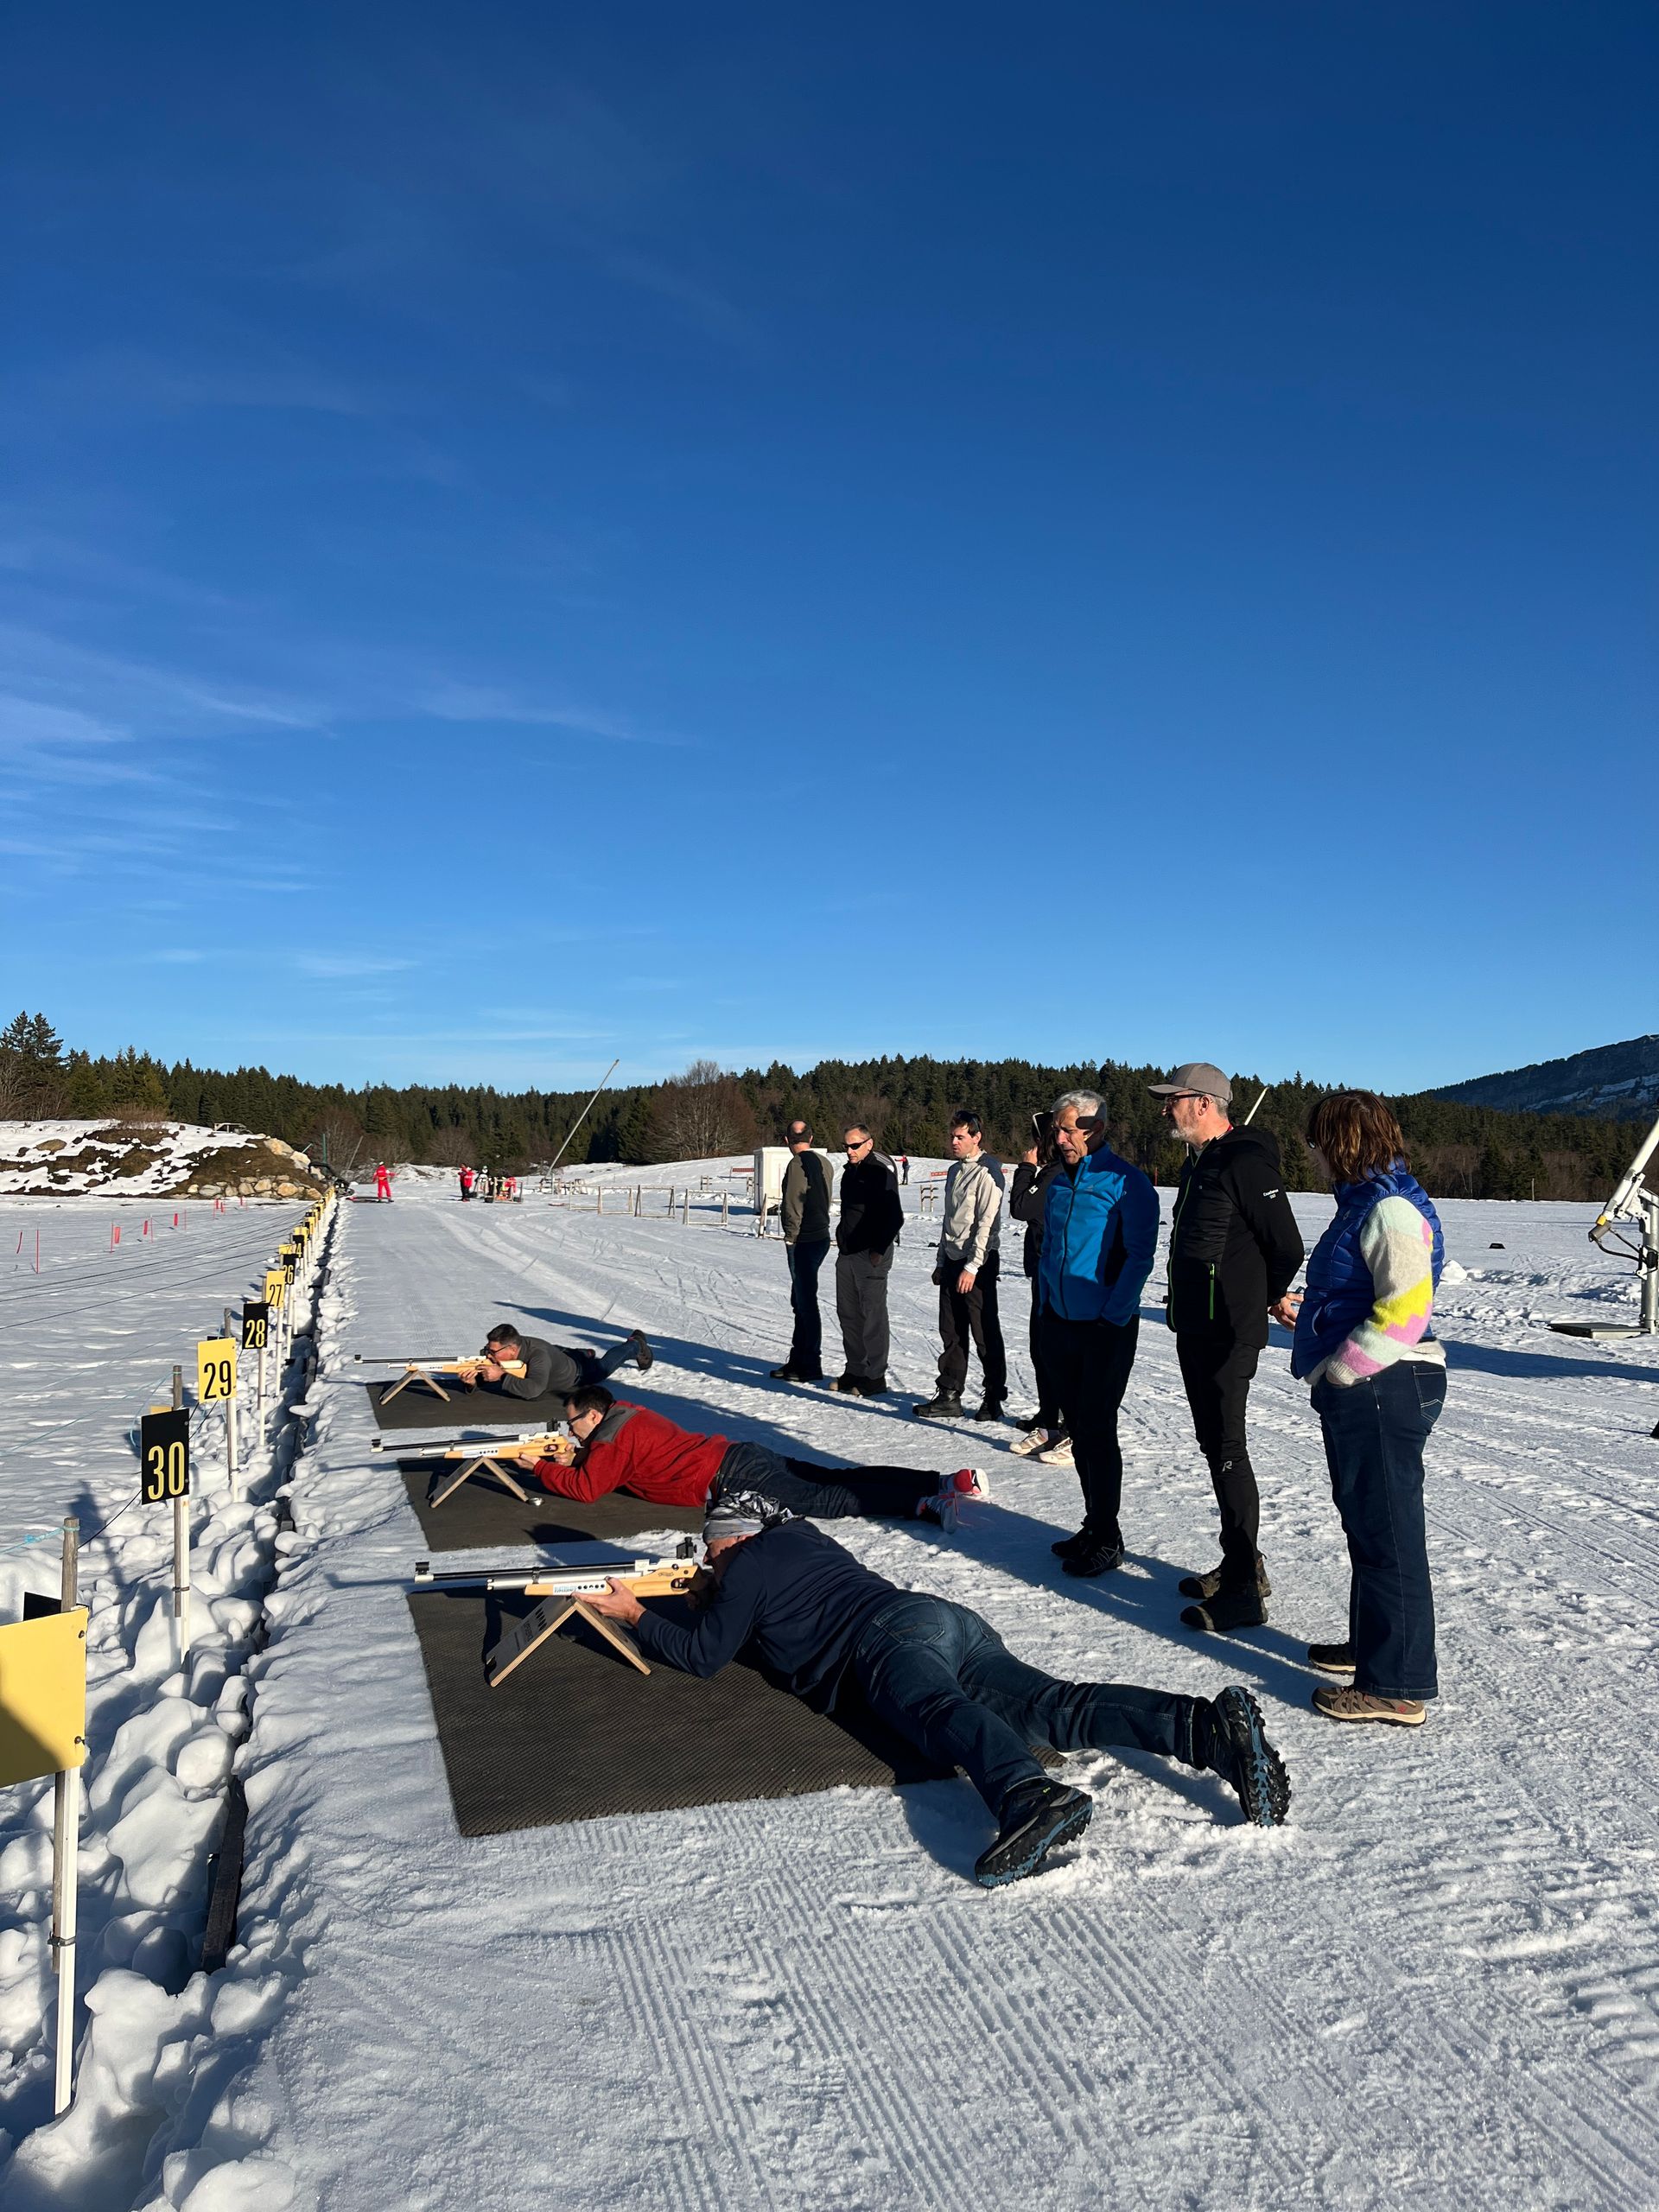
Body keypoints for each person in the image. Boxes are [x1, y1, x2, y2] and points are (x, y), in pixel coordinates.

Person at [586, 1497, 1290, 1886]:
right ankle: (1205, 1730)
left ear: (728, 1540)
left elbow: (704, 1656)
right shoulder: (801, 1539)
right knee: (1056, 1706)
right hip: (943, 1620)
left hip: (884, 1642)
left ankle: (1027, 1797)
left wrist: (638, 1615)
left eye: (710, 1551)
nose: (708, 1561)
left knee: (936, 1712)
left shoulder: (739, 1568)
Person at [1281, 1091, 1446, 1728]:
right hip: (1375, 1381)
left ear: (1343, 1143)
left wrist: (1346, 1369)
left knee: (1389, 1536)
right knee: (1369, 1526)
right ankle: (1374, 1648)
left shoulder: (1391, 1209)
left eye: (1319, 1141)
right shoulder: (1366, 1204)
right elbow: (1366, 1291)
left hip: (1383, 1384)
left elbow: (1407, 1310)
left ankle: (1397, 1684)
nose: (1314, 1154)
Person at [1148, 1061, 1305, 1635]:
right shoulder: (1200, 1164)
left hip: (1228, 1330)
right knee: (1212, 1441)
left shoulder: (1244, 1159)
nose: (1167, 1109)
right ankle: (1242, 1562)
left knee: (1228, 1445)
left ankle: (1244, 1591)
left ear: (1205, 1103)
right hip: (1196, 1325)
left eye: (1174, 1100)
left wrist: (1261, 1296)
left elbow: (1286, 1244)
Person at [514, 1387, 988, 1529]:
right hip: (736, 1454)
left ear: (595, 1416)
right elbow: (606, 1463)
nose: (571, 1430)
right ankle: (941, 1480)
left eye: (574, 1422)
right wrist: (577, 1453)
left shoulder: (609, 1440)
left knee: (824, 1500)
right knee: (833, 1476)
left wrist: (537, 1467)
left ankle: (923, 1504)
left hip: (729, 1476)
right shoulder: (629, 1414)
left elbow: (588, 1488)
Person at [1036, 1092, 1160, 1578]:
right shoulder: (1058, 1185)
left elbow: (1139, 1258)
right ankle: (1093, 1523)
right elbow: (1050, 1250)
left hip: (1104, 1328)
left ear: (1097, 1128)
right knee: (1078, 1428)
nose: (1061, 1139)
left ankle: (1108, 1536)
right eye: (1057, 1131)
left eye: (1070, 1130)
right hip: (1059, 1324)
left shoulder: (1127, 1183)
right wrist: (1045, 1305)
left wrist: (1113, 1316)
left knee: (1098, 1430)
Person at [912, 1112, 1007, 1423]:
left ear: (977, 1137)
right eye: (952, 1136)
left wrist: (974, 1266)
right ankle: (949, 1393)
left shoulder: (988, 1172)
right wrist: (942, 1261)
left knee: (984, 1333)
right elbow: (949, 1220)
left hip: (977, 1262)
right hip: (953, 1260)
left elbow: (986, 1224)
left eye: (960, 1137)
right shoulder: (954, 1171)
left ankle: (993, 1398)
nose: (953, 1142)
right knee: (951, 1331)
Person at [1007, 1111, 1070, 1465]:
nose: (1032, 1147)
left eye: (1036, 1140)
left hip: (1057, 1272)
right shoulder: (1050, 1173)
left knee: (1053, 1351)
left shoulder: (1054, 1173)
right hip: (1043, 1269)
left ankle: (1063, 1423)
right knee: (1039, 1348)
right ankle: (1049, 1421)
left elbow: (1021, 1207)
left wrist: (1025, 1169)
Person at [833, 1125, 905, 1396]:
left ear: (869, 1144)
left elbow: (894, 1215)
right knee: (849, 1315)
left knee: (873, 1316)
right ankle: (855, 1370)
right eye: (846, 1146)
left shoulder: (879, 1170)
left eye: (855, 1146)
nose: (849, 1151)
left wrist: (879, 1248)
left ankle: (875, 1376)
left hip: (871, 1254)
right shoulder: (851, 1171)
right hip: (848, 1253)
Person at [772, 1122, 833, 1384]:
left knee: (805, 1302)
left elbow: (793, 1203)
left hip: (804, 1240)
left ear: (787, 1140)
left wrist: (791, 1237)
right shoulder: (825, 1163)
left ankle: (810, 1363)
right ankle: (799, 1359)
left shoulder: (796, 1165)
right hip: (820, 1236)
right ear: (811, 1136)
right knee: (801, 1299)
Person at [474, 1322, 653, 1400]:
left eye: (493, 1352)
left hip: (578, 1373)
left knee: (603, 1368)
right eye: (488, 1350)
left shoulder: (538, 1356)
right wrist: (473, 1381)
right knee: (560, 1353)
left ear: (512, 1349)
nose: (489, 1355)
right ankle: (584, 1353)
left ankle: (634, 1344)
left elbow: (534, 1390)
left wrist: (503, 1377)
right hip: (561, 1356)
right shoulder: (513, 1346)